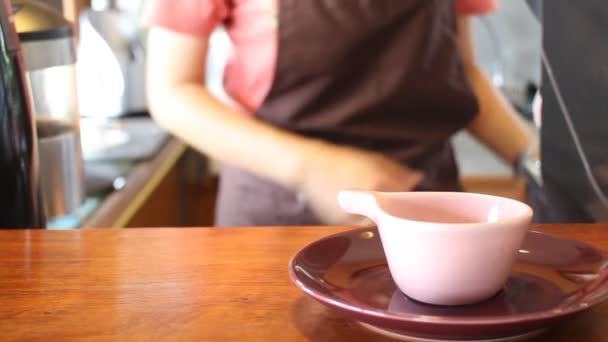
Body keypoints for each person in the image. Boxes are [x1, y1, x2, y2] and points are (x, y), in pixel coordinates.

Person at [143, 0, 534, 226]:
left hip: (426, 208)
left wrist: (533, 155)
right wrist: (313, 167)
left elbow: (462, 72)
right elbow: (172, 92)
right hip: (279, 214)